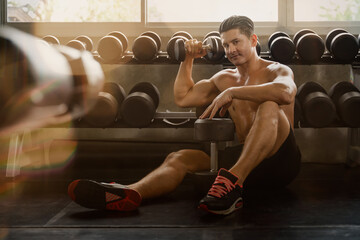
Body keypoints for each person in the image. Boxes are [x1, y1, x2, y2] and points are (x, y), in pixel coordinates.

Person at [68, 15, 301, 215]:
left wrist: (233, 92)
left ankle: (232, 182)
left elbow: (285, 93)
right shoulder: (224, 79)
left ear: (252, 40)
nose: (231, 50)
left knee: (269, 105)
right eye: (226, 45)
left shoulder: (276, 70)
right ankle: (131, 193)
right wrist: (188, 59)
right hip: (245, 163)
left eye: (236, 42)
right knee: (179, 157)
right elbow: (184, 97)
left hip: (281, 162)